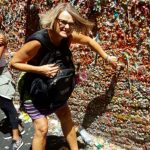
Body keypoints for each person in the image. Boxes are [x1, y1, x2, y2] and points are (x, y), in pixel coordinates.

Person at [10, 3, 118, 150]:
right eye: (63, 22)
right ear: (54, 20)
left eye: (70, 24)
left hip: (54, 88)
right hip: (34, 91)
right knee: (42, 128)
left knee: (66, 117)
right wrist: (40, 69)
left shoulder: (66, 37)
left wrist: (107, 58)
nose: (66, 27)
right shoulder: (38, 41)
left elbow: (88, 40)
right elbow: (14, 63)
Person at [0, 30, 24, 150]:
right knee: (3, 106)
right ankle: (15, 124)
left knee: (8, 106)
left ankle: (17, 137)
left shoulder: (0, 38)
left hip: (1, 77)